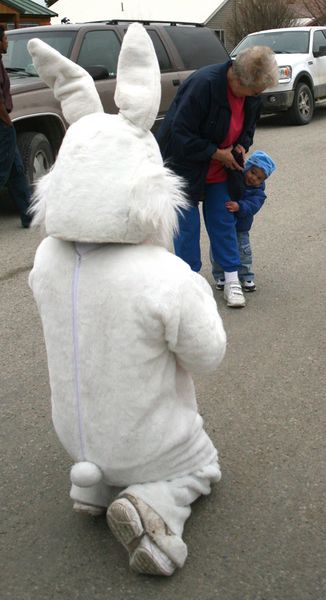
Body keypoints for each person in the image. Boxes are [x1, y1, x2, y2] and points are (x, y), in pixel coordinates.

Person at [27, 25, 227, 577]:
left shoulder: (46, 260)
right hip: (145, 442)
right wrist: (199, 298)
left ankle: (93, 481)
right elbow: (209, 355)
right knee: (202, 463)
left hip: (74, 435)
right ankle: (155, 507)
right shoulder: (163, 274)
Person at [156, 45, 278, 308]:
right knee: (186, 228)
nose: (259, 95)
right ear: (239, 80)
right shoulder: (204, 85)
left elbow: (248, 129)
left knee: (223, 221)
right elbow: (180, 133)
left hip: (221, 167)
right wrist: (215, 152)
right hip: (184, 166)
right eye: (256, 90)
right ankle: (189, 286)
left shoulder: (251, 95)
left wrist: (242, 145)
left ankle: (232, 279)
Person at [213, 150, 276, 292]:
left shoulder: (258, 193)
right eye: (253, 172)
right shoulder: (235, 178)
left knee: (243, 252)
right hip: (224, 224)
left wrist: (239, 206)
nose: (254, 179)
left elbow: (252, 206)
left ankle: (246, 276)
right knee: (218, 248)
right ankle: (220, 275)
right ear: (247, 167)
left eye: (259, 178)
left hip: (241, 227)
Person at [0, 25, 31, 228]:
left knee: (16, 170)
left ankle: (30, 216)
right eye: (4, 39)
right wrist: (8, 122)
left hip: (4, 124)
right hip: (2, 125)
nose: (7, 42)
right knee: (2, 170)